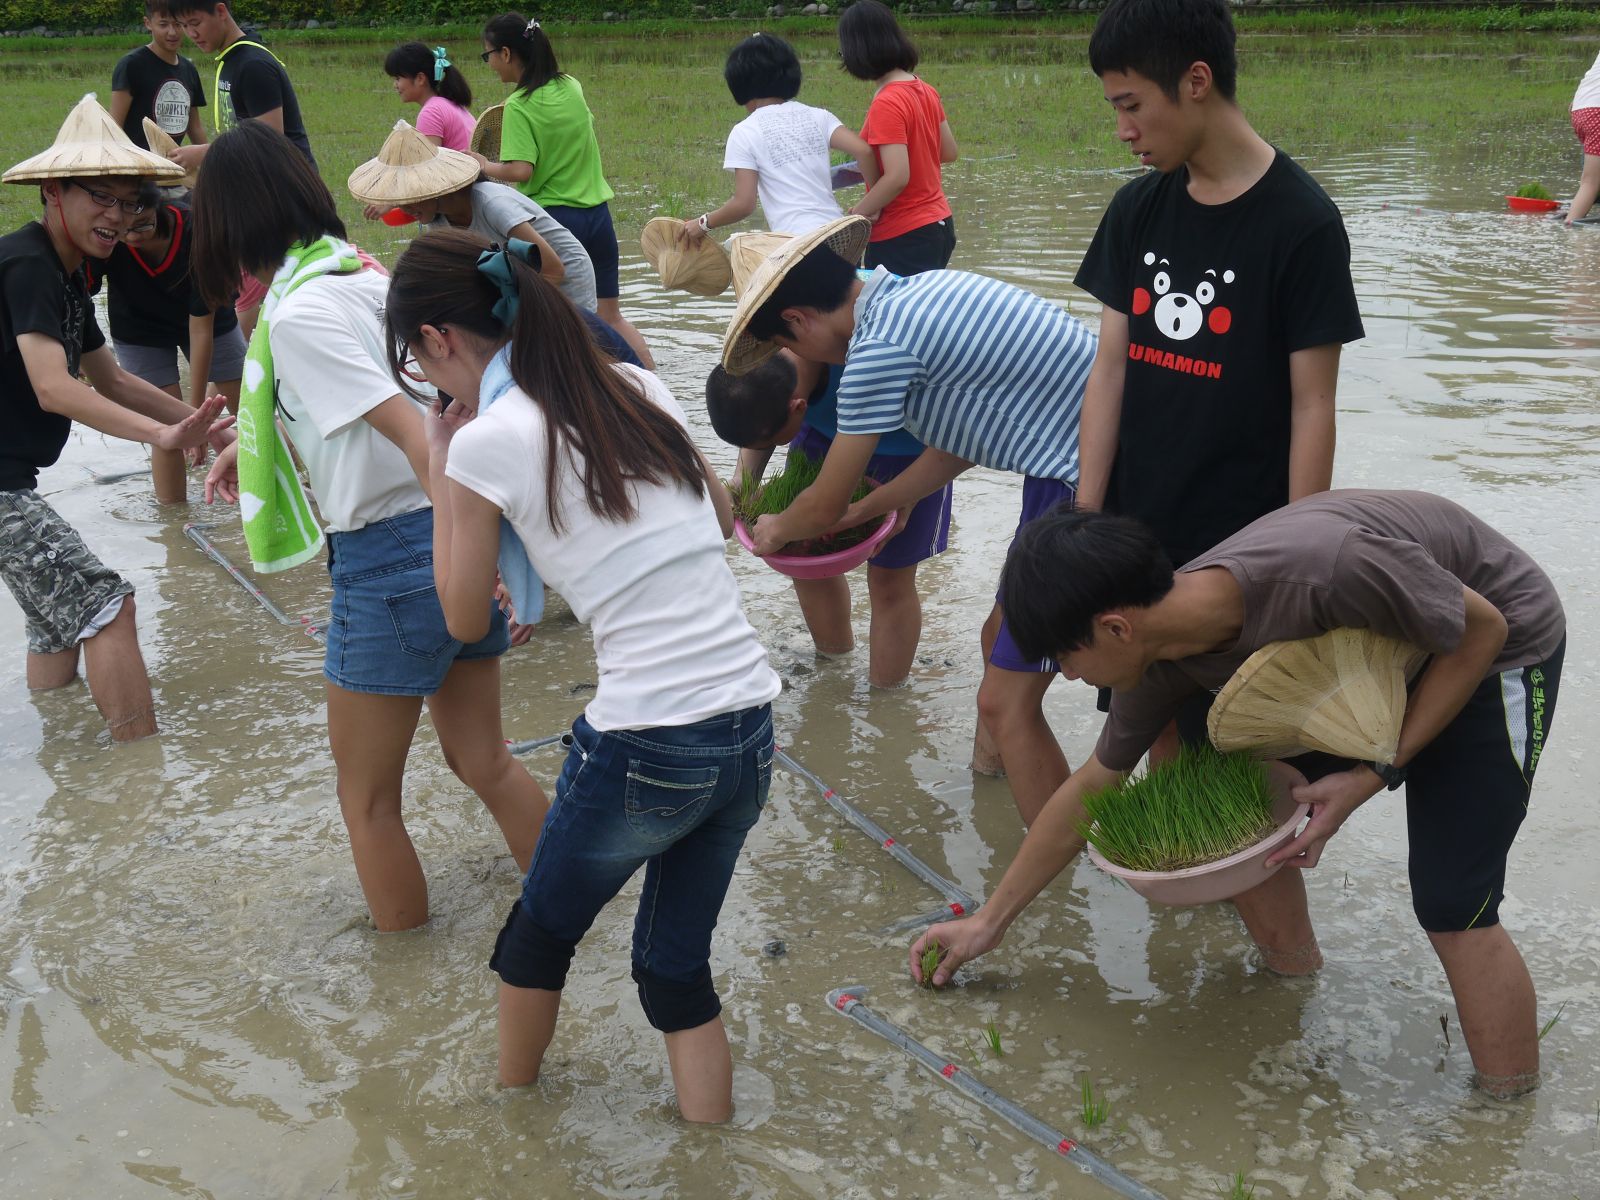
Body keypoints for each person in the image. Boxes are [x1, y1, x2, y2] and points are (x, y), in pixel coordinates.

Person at [909, 492, 1566, 1101]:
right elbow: (1091, 787)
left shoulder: (1323, 570)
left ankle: (1504, 1114)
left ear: (1115, 628)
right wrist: (989, 921)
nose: (1073, 677)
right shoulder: (1161, 664)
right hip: (1361, 658)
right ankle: (1294, 977)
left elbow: (1483, 628)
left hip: (1491, 650)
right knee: (1235, 804)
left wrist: (1373, 773)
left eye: (1067, 659)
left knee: (1453, 902)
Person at [385, 228, 780, 1120]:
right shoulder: (635, 384)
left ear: (440, 339)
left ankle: (508, 1129)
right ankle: (710, 1150)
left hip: (648, 737)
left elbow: (462, 618)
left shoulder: (486, 440)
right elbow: (723, 514)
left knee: (535, 942)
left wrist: (443, 460)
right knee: (673, 968)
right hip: (749, 724)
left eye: (415, 358)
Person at [193, 122, 548, 932]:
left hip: (395, 557)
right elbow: (385, 415)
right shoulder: (365, 278)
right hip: (454, 532)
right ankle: (574, 909)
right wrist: (254, 446)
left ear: (227, 225)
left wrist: (480, 562)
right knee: (483, 761)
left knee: (368, 803)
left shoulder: (296, 315)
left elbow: (419, 440)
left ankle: (401, 975)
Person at [724, 217, 1095, 824]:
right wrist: (876, 505)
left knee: (1009, 675)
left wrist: (775, 530)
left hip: (1087, 469)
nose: (800, 363)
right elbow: (968, 440)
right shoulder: (915, 292)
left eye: (788, 348)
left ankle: (1043, 851)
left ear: (798, 321)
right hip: (1077, 453)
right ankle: (990, 788)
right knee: (1003, 649)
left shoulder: (876, 350)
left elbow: (821, 505)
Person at [1072, 0, 1364, 760]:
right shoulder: (1137, 209)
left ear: (1195, 81)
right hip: (1139, 539)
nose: (1123, 129)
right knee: (1154, 735)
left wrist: (1298, 559)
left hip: (1243, 550)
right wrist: (1085, 520)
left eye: (1131, 105)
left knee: (1245, 751)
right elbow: (1110, 371)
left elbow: (1313, 405)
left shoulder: (1302, 224)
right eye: (1115, 109)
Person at [0, 96, 232, 742]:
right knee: (107, 604)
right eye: (100, 197)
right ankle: (140, 777)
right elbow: (54, 388)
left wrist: (207, 425)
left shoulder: (72, 274)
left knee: (55, 622)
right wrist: (162, 436)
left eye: (128, 203)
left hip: (12, 481)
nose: (117, 216)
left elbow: (113, 380)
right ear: (53, 191)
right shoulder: (28, 265)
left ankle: (65, 761)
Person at [706, 349, 952, 689]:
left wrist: (908, 494)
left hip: (907, 451)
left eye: (776, 440)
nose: (774, 444)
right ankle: (834, 666)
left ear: (798, 408)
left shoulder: (875, 351)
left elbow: (954, 432)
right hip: (822, 438)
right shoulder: (765, 354)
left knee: (890, 578)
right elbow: (761, 420)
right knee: (804, 559)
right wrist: (741, 482)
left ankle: (886, 695)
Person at [477, 13, 653, 368]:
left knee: (565, 325)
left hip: (555, 223)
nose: (490, 64)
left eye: (488, 55)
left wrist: (482, 164)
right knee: (611, 317)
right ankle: (651, 383)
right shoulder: (571, 85)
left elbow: (520, 170)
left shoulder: (519, 105)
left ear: (506, 53)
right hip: (598, 217)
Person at [165, 0, 317, 336]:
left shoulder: (252, 65)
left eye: (195, 23)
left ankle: (252, 362)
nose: (191, 34)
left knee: (269, 299)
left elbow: (268, 138)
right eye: (184, 26)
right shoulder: (232, 61)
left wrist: (202, 154)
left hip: (284, 203)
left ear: (220, 11)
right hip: (259, 200)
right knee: (260, 297)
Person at [86, 189, 245, 503]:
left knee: (250, 407)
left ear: (158, 207)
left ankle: (290, 483)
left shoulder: (198, 231)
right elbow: (78, 293)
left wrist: (198, 418)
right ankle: (174, 519)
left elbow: (201, 328)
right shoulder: (105, 234)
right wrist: (190, 424)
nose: (133, 237)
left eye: (143, 224)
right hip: (138, 326)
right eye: (124, 230)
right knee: (164, 427)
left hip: (209, 318)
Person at [349, 120, 598, 314]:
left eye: (411, 196)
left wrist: (515, 316)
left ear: (434, 186)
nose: (404, 208)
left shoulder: (492, 204)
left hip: (565, 275)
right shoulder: (439, 223)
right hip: (521, 278)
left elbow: (553, 269)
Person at [678, 31, 879, 246]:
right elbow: (864, 151)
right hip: (841, 237)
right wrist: (874, 204)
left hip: (798, 245)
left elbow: (744, 204)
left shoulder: (744, 132)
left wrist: (703, 223)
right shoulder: (819, 116)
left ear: (740, 85)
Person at [838, 0, 958, 274]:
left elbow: (897, 177)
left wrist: (858, 213)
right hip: (939, 225)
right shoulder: (924, 89)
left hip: (904, 234)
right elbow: (948, 152)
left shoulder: (887, 102)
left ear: (858, 49)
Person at [110, 1, 208, 153]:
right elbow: (113, 127)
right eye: (163, 25)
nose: (172, 32)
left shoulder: (189, 70)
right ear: (148, 23)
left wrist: (209, 159)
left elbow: (195, 128)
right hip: (137, 163)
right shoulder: (132, 65)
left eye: (178, 24)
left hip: (171, 163)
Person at [384, 41, 476, 152]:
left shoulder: (431, 113)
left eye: (398, 78)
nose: (395, 85)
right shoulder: (450, 104)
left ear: (420, 79)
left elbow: (430, 162)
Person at [1566, 47, 1600, 224]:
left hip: (1580, 108)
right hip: (1597, 113)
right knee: (1590, 182)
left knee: (1591, 175)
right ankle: (1571, 225)